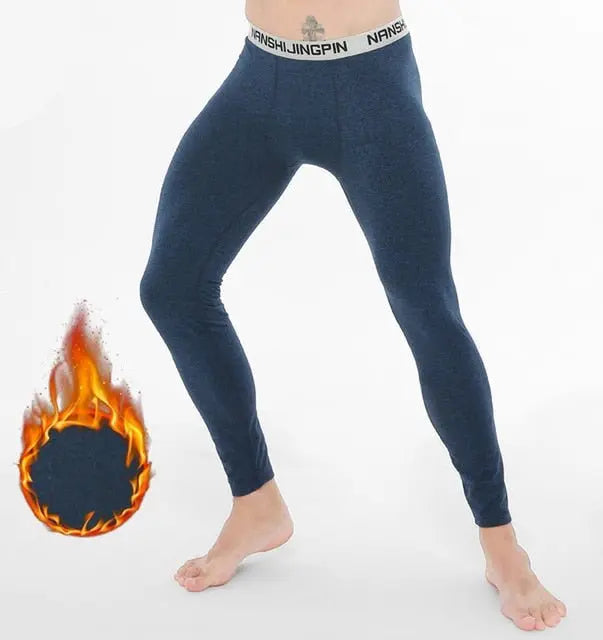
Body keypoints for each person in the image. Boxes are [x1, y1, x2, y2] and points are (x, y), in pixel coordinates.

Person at [139, 1, 567, 631]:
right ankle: (256, 502)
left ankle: (502, 544)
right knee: (172, 289)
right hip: (261, 78)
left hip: (370, 85)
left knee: (426, 308)